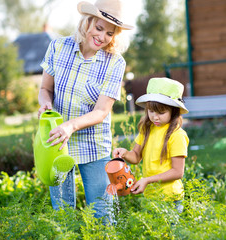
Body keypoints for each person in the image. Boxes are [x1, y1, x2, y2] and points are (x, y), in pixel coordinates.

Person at [37, 0, 133, 222]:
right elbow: (45, 89)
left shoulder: (115, 63)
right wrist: (45, 104)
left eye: (110, 33)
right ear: (86, 23)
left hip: (93, 144)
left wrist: (70, 126)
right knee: (63, 215)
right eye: (99, 28)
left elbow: (101, 112)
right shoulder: (58, 47)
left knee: (102, 214)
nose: (102, 37)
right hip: (58, 143)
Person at [112, 77, 189, 213]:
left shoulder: (177, 135)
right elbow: (136, 157)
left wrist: (147, 180)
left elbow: (178, 172)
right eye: (151, 111)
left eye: (161, 112)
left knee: (169, 233)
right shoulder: (147, 129)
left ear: (174, 111)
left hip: (170, 198)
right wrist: (125, 153)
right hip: (151, 196)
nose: (155, 117)